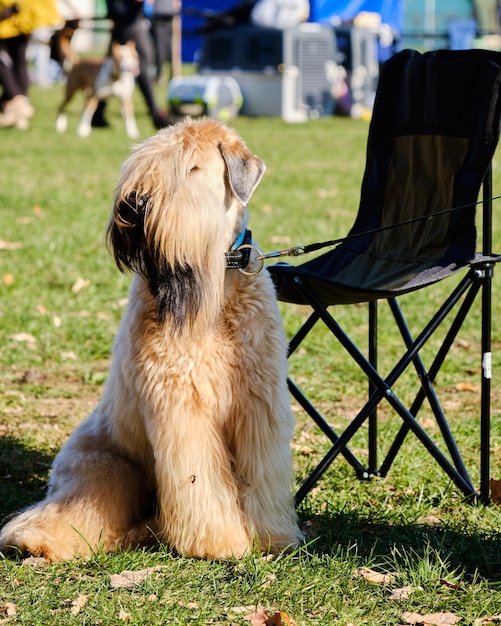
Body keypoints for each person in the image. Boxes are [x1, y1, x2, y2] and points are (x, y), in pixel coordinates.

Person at [96, 0, 169, 130]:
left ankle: (97, 113)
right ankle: (156, 115)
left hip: (118, 15)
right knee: (142, 66)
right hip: (130, 20)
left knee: (110, 67)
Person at [0, 0, 61, 128]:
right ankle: (20, 108)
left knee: (14, 60)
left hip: (12, 14)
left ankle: (17, 101)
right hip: (26, 15)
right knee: (19, 60)